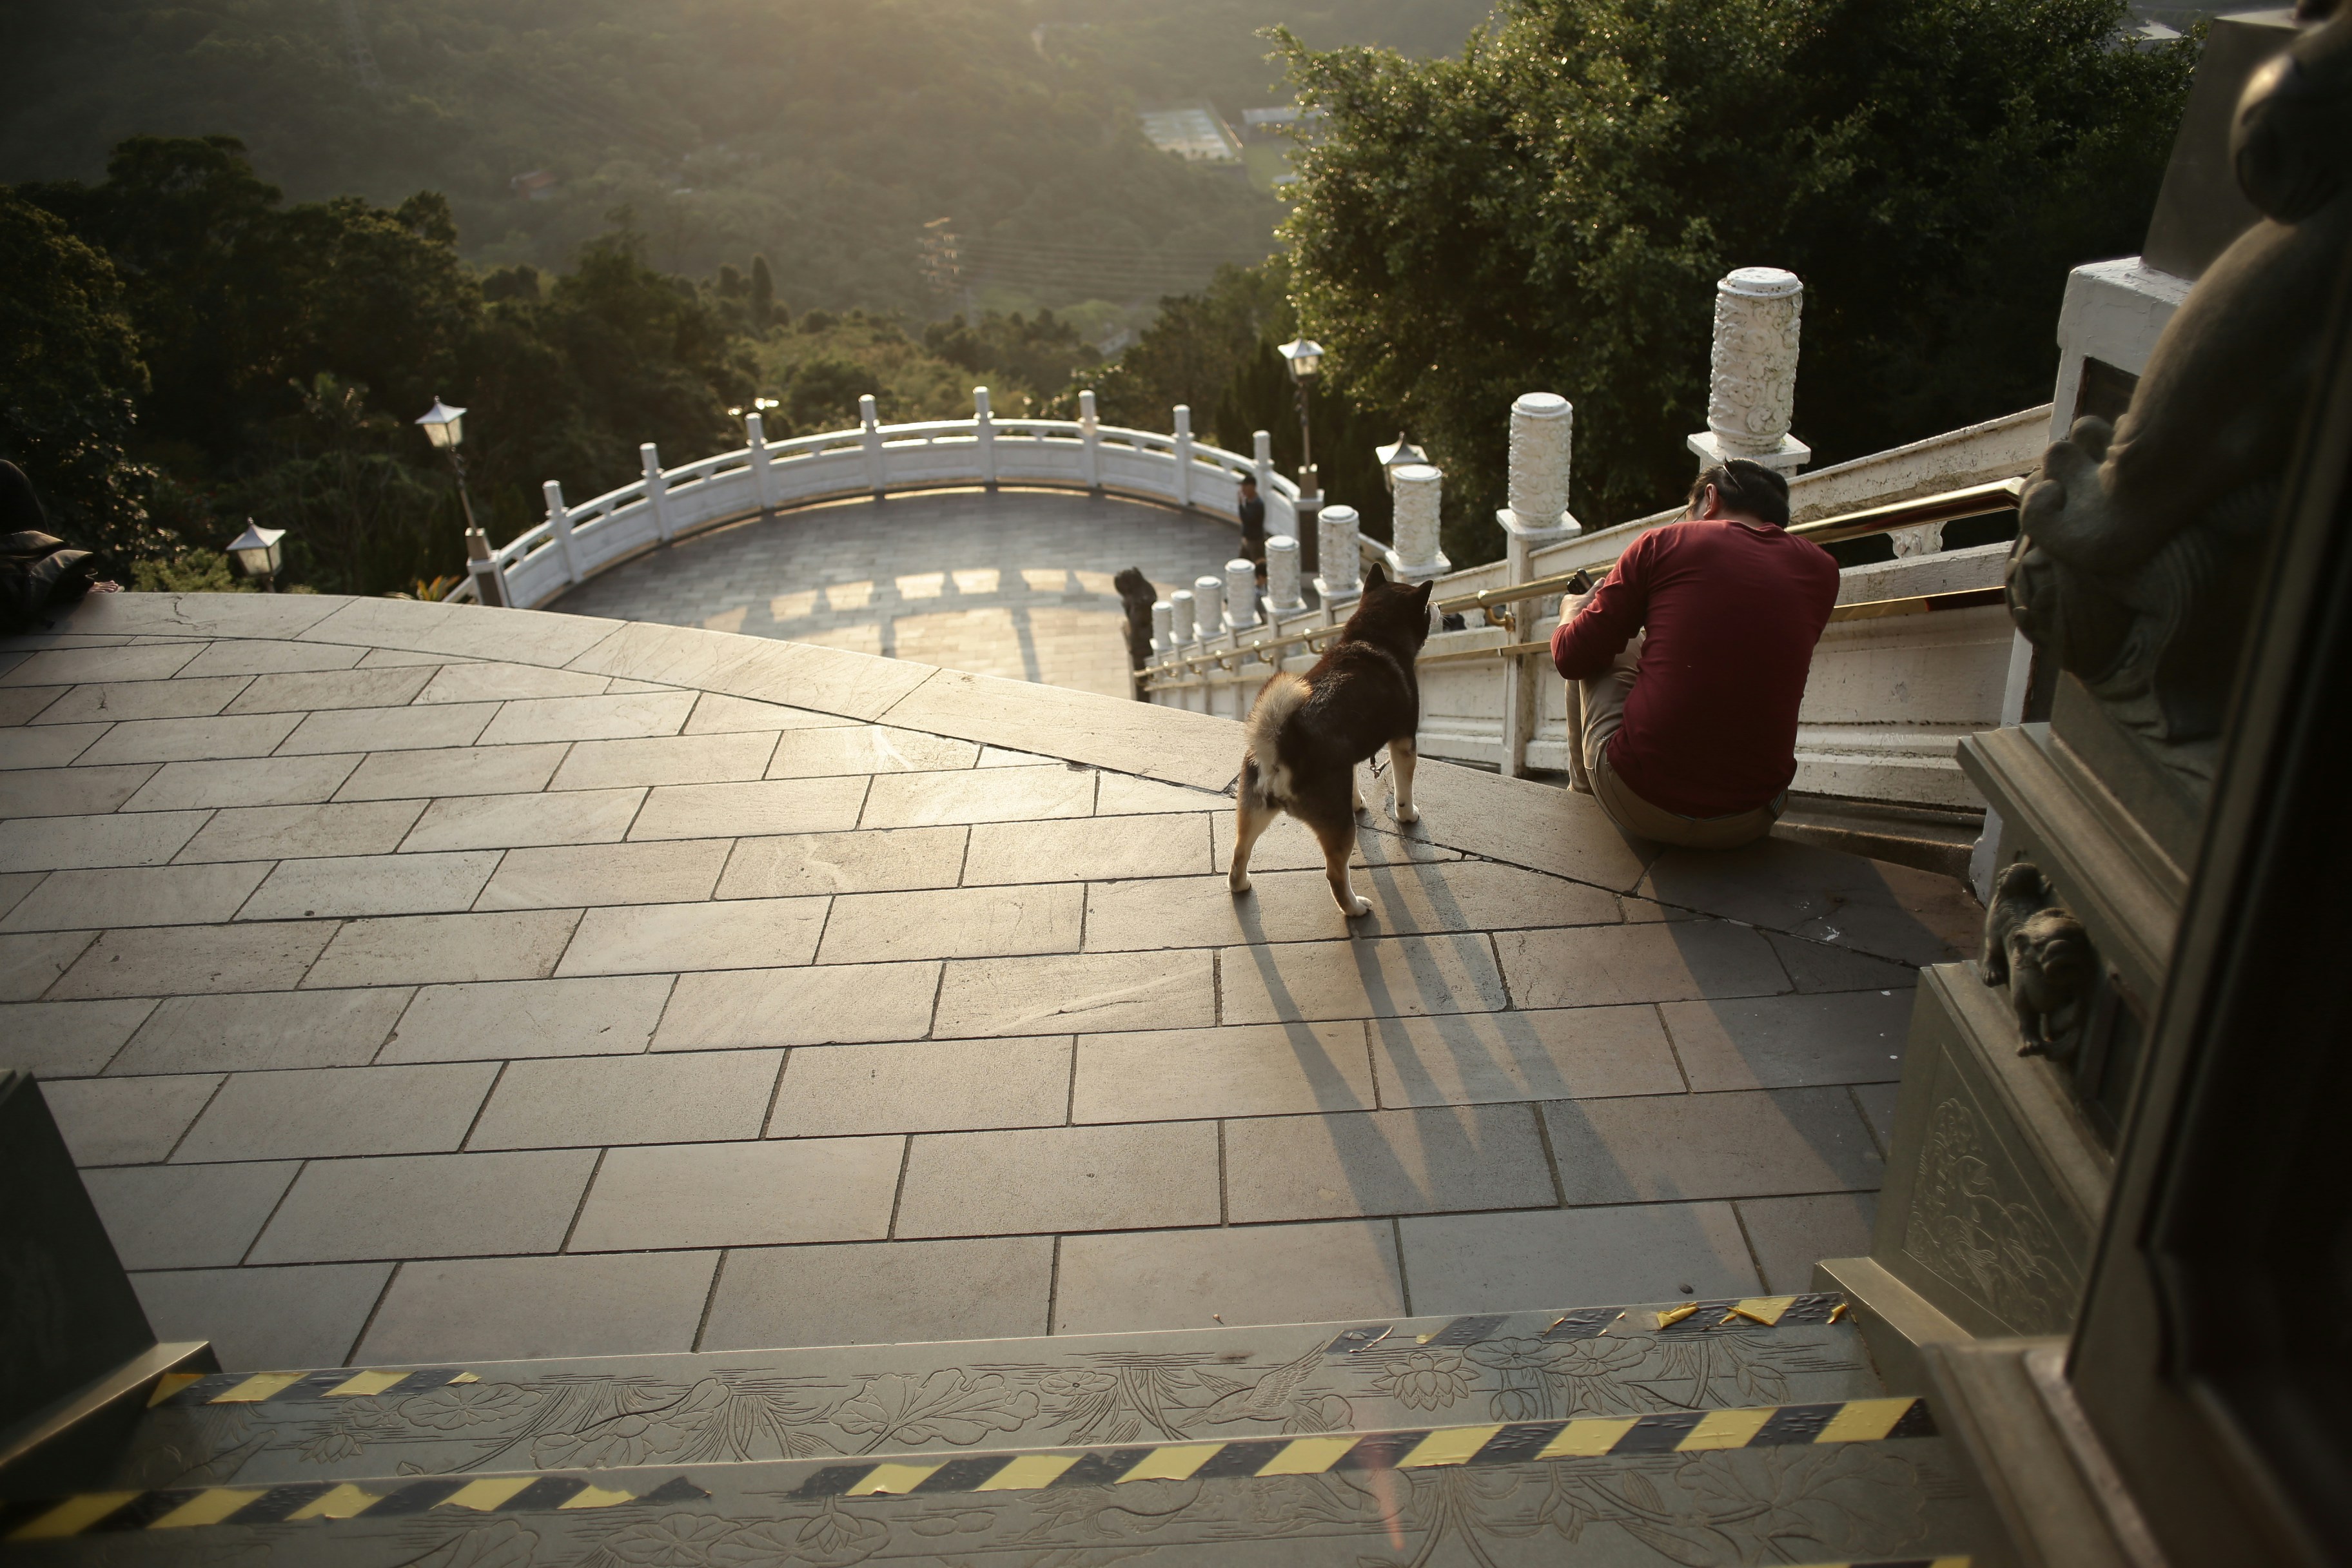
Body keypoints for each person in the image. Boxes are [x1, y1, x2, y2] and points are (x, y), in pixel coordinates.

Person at [1550, 458, 1837, 848]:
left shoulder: (1660, 544)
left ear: (1711, 499)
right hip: (1751, 816)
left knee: (1592, 642)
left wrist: (1572, 611)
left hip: (1637, 803)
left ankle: (1584, 800)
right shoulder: (1822, 571)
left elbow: (1571, 657)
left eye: (1689, 512)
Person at [1236, 476, 1268, 580]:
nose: (1243, 489)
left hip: (1255, 542)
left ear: (1253, 487)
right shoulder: (1250, 501)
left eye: (1245, 486)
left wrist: (1241, 505)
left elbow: (1247, 520)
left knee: (1259, 569)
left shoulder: (1257, 504)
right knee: (1241, 566)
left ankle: (1261, 589)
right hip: (1247, 540)